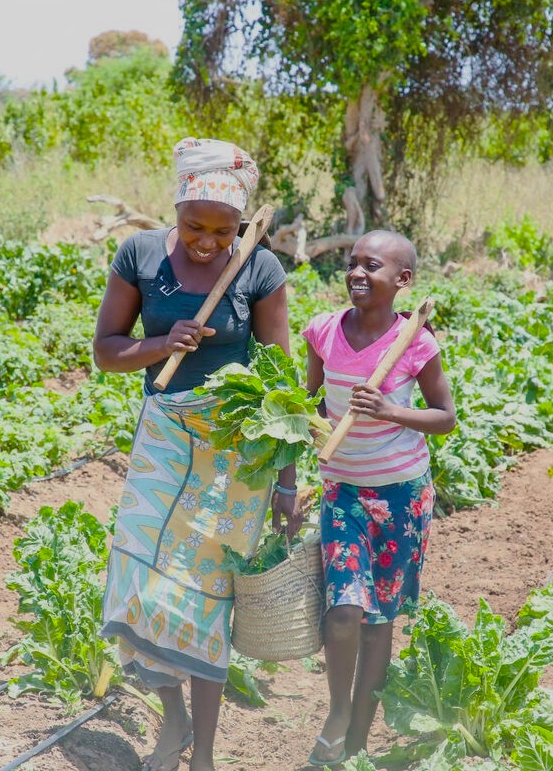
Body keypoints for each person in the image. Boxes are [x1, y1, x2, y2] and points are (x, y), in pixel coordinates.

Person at [94, 137, 299, 771]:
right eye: (193, 227)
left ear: (243, 225)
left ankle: (204, 753)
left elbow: (281, 382)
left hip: (232, 458)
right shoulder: (139, 255)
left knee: (206, 597)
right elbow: (106, 350)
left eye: (223, 231)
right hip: (162, 440)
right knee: (143, 582)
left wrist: (287, 483)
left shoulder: (259, 271)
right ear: (175, 210)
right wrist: (163, 343)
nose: (207, 241)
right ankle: (173, 720)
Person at [301, 230, 455, 767]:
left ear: (403, 281)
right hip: (341, 491)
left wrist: (390, 411)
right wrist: (298, 466)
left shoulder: (416, 342)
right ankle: (338, 714)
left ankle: (360, 742)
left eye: (373, 266)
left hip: (400, 498)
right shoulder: (322, 332)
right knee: (343, 613)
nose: (358, 274)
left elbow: (444, 417)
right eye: (352, 264)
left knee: (377, 622)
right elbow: (312, 408)